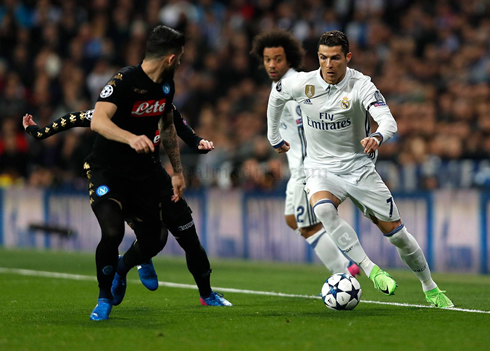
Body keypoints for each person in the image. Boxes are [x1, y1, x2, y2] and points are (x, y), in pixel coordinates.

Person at [267, 30, 453, 308]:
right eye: (323, 58)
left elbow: (389, 122)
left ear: (347, 57)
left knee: (398, 236)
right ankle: (369, 268)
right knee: (323, 209)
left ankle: (430, 287)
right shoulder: (302, 83)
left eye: (335, 58)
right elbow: (276, 97)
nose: (328, 65)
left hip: (359, 168)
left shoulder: (361, 85)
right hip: (319, 168)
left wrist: (377, 137)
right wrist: (273, 137)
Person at [80, 25, 227, 321]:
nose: (182, 63)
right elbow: (98, 120)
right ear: (171, 58)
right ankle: (104, 297)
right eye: (181, 58)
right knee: (112, 231)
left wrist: (177, 172)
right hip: (108, 171)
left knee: (154, 240)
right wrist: (129, 137)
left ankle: (123, 268)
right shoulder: (124, 80)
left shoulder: (166, 86)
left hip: (145, 174)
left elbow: (168, 127)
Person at [22, 104, 231, 309]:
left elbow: (180, 126)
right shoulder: (120, 107)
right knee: (155, 239)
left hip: (156, 177)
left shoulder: (162, 104)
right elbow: (77, 118)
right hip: (125, 183)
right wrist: (38, 132)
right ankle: (126, 268)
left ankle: (206, 294)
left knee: (189, 238)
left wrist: (198, 142)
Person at [250, 29, 359, 277]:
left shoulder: (296, 85)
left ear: (289, 59)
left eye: (277, 59)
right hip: (296, 165)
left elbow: (310, 124)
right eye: (267, 59)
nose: (272, 64)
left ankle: (344, 273)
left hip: (305, 167)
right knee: (293, 219)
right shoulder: (280, 84)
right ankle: (346, 264)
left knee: (307, 226)